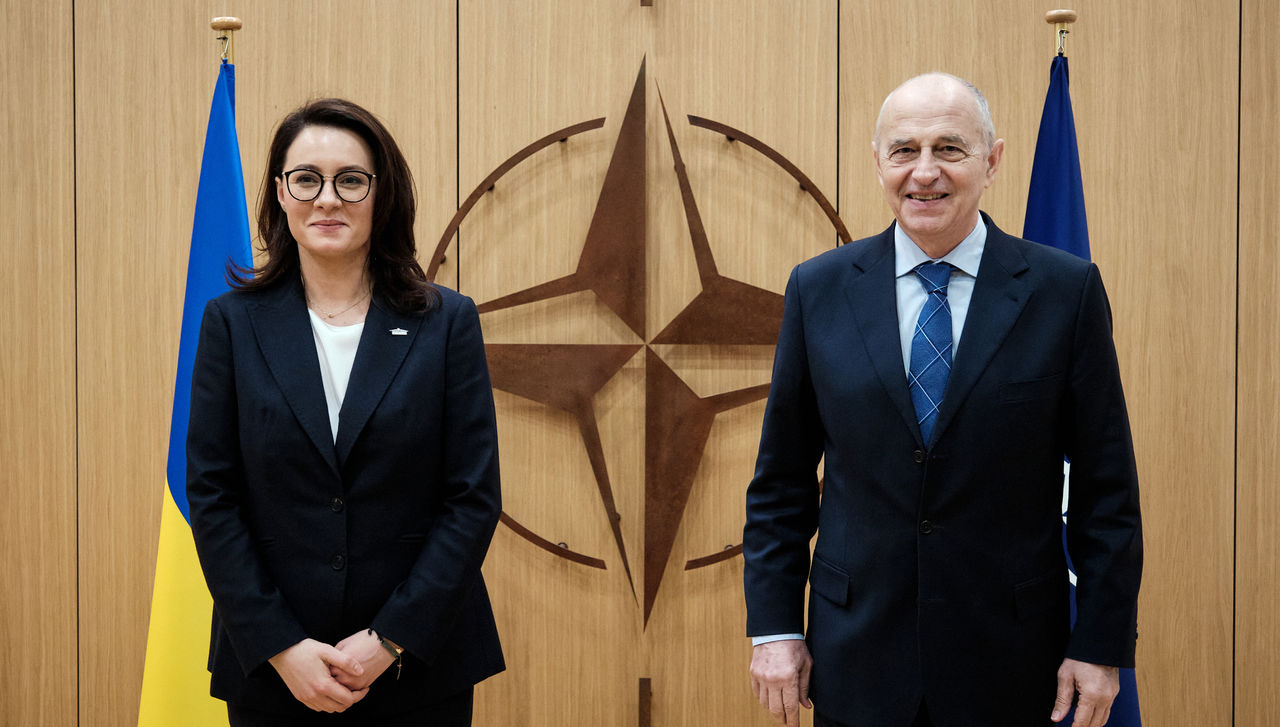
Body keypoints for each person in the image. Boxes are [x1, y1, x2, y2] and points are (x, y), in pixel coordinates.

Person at [743, 73, 1142, 727]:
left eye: (949, 149)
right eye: (904, 150)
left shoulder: (1063, 292)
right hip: (855, 661)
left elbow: (1106, 493)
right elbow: (781, 487)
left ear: (992, 161)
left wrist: (1100, 644)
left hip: (1014, 666)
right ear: (878, 163)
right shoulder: (818, 290)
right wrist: (774, 626)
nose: (924, 172)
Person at [187, 98, 504, 725]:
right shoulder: (231, 324)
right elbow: (213, 495)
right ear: (280, 193)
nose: (326, 199)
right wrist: (281, 646)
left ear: (380, 195)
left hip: (416, 667)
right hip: (275, 669)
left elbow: (471, 498)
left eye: (350, 180)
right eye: (306, 178)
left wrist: (388, 639)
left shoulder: (446, 323)